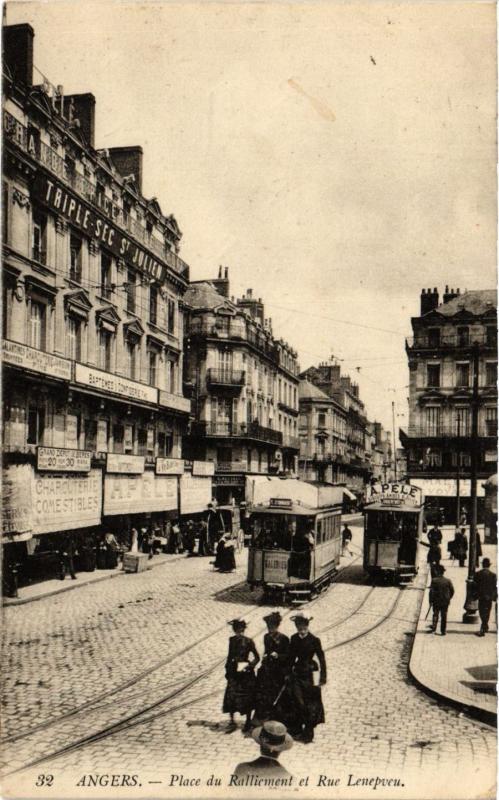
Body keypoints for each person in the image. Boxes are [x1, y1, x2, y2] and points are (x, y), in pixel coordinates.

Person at [285, 614, 326, 743]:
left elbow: (321, 658)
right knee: (297, 701)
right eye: (299, 628)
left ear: (307, 627)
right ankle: (296, 729)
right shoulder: (294, 638)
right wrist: (287, 672)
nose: (301, 631)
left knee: (309, 705)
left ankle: (308, 733)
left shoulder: (314, 640)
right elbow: (291, 657)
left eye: (303, 628)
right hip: (296, 674)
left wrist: (323, 677)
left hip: (309, 675)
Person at [223, 619, 260, 732]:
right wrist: (227, 669)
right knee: (231, 694)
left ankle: (248, 721)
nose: (239, 633)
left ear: (243, 630)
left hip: (245, 673)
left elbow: (257, 657)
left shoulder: (249, 641)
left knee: (247, 696)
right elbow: (230, 656)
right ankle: (232, 721)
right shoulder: (232, 640)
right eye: (237, 631)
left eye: (241, 631)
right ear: (234, 631)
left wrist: (249, 666)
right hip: (234, 672)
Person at [254, 612, 290, 725]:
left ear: (277, 626)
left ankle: (276, 719)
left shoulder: (284, 638)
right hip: (267, 670)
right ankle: (263, 718)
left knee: (276, 695)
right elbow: (266, 651)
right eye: (268, 626)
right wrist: (265, 656)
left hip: (278, 671)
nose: (270, 629)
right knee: (264, 694)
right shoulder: (266, 637)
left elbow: (288, 656)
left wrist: (278, 655)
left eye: (272, 626)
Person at [473, 558, 497, 636]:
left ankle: (483, 628)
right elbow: (495, 587)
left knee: (481, 611)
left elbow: (475, 586)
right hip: (489, 597)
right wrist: (494, 596)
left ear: (482, 565)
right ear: (489, 565)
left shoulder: (478, 574)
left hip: (481, 596)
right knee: (487, 612)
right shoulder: (493, 575)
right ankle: (485, 626)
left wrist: (475, 595)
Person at [428, 564, 454, 636]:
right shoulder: (448, 581)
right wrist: (448, 598)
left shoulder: (434, 580)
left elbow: (431, 592)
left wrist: (430, 601)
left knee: (435, 614)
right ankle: (443, 631)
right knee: (444, 616)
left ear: (438, 572)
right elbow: (452, 591)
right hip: (445, 601)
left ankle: (434, 629)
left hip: (436, 601)